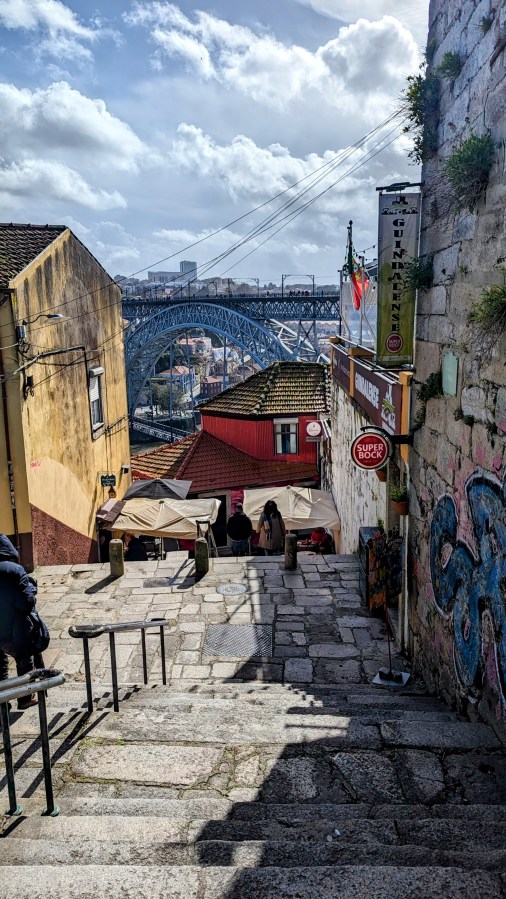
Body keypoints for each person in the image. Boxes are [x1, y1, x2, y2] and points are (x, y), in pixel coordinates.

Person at [0, 534, 46, 709]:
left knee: (0, 666)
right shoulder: (15, 570)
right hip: (14, 627)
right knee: (23, 660)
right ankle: (24, 698)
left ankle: (2, 704)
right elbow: (26, 603)